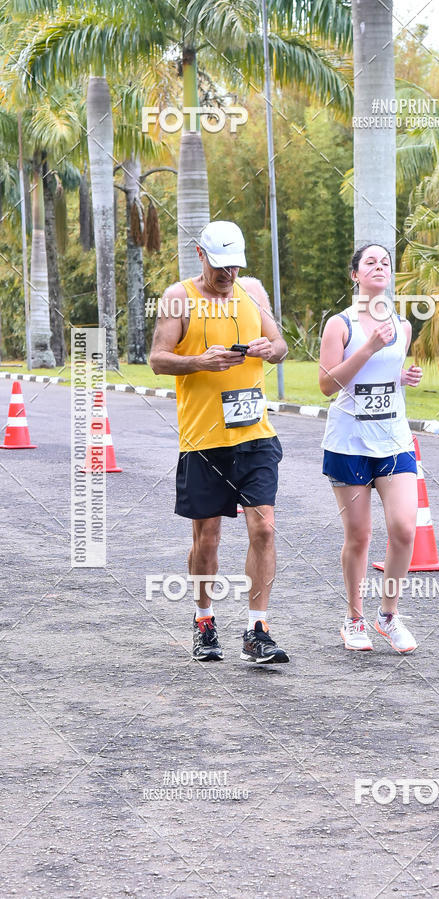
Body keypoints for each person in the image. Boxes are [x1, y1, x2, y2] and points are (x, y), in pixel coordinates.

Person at [149, 220, 289, 665]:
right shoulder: (179, 297)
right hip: (204, 439)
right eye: (219, 265)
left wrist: (272, 349)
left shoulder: (250, 292)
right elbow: (156, 359)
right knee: (207, 536)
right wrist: (199, 362)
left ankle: (257, 629)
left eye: (234, 265)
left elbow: (282, 344)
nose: (227, 274)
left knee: (263, 527)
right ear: (200, 255)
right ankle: (204, 620)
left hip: (255, 435)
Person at [318, 243, 423, 653]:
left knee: (404, 528)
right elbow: (328, 385)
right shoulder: (339, 325)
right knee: (359, 535)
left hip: (394, 440)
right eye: (370, 262)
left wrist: (403, 378)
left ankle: (389, 616)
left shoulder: (403, 324)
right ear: (355, 275)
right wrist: (368, 347)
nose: (379, 267)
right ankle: (354, 619)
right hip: (349, 443)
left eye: (385, 263)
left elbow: (383, 379)